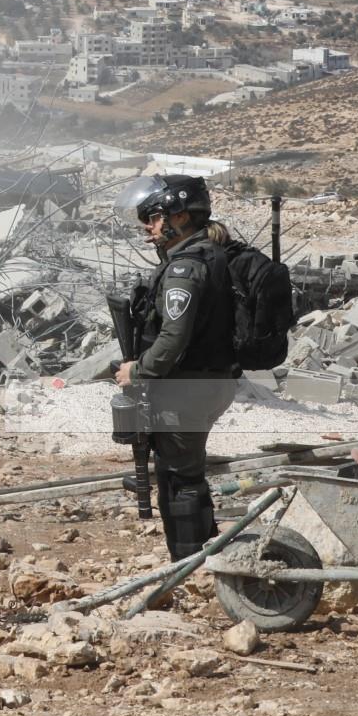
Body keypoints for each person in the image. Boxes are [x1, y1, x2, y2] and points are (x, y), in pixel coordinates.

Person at [113, 173, 239, 563]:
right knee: (182, 471)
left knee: (179, 478)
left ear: (179, 216)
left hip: (188, 389)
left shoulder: (185, 269)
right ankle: (206, 551)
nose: (148, 229)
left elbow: (172, 340)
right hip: (206, 383)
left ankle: (189, 564)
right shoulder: (208, 255)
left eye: (153, 218)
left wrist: (136, 371)